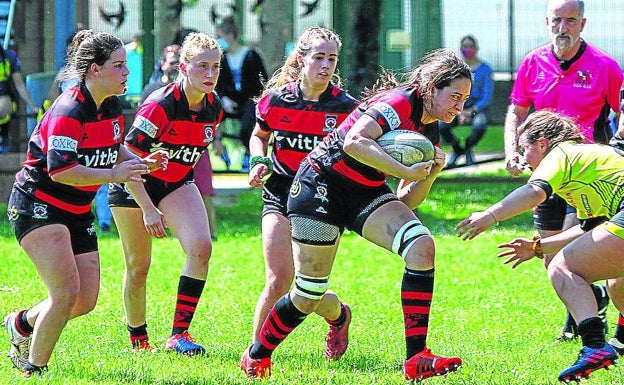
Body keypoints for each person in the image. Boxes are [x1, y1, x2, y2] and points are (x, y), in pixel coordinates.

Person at [240, 48, 472, 381]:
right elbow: (353, 142)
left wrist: (430, 173)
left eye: (464, 99)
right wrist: (398, 167)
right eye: (455, 97)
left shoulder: (428, 127)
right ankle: (257, 355)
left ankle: (416, 359)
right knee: (308, 293)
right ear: (432, 87)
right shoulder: (399, 103)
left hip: (365, 191)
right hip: (319, 185)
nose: (460, 107)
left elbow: (406, 201)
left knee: (421, 246)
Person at [2, 30, 167, 378]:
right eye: (119, 66)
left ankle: (20, 323)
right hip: (38, 205)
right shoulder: (68, 109)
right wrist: (116, 173)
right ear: (95, 69)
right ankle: (34, 368)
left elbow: (114, 143)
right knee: (65, 293)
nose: (126, 72)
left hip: (77, 210)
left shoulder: (109, 104)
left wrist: (139, 162)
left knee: (84, 300)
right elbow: (60, 170)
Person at [456, 109, 624, 383]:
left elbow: (535, 191)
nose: (523, 158)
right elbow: (588, 230)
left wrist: (490, 215)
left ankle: (594, 346)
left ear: (542, 143)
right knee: (619, 286)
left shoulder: (562, 154)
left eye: (525, 148)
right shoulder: (584, 165)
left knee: (564, 267)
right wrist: (538, 247)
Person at [503, 0, 623, 342]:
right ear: (547, 22)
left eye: (570, 20)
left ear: (582, 23)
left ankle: (585, 328)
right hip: (545, 172)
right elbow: (517, 111)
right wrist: (512, 150)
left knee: (575, 244)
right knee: (548, 251)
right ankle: (593, 300)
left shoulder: (605, 66)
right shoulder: (532, 62)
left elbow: (622, 107)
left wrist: (618, 143)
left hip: (586, 178)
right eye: (557, 20)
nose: (562, 28)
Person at [245, 27, 358, 361]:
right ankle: (256, 355)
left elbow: (359, 150)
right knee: (279, 279)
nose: (326, 65)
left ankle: (338, 315)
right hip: (279, 192)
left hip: (321, 199)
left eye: (332, 58)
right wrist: (258, 161)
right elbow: (258, 135)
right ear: (302, 58)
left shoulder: (347, 107)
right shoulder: (277, 100)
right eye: (319, 57)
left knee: (309, 289)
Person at [108, 32, 224, 354]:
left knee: (201, 248)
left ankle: (179, 335)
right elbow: (126, 159)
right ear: (184, 67)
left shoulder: (214, 108)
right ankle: (139, 341)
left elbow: (187, 156)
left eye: (215, 67)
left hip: (174, 182)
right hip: (134, 183)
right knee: (138, 266)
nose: (210, 74)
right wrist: (148, 209)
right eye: (202, 66)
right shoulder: (160, 105)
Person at [215, 17, 268, 172]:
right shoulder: (221, 58)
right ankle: (220, 149)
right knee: (211, 116)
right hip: (228, 100)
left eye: (220, 36)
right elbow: (219, 84)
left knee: (248, 124)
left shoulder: (251, 55)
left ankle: (248, 154)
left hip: (249, 100)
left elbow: (262, 82)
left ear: (230, 36)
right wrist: (224, 99)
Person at [441, 35, 494, 167]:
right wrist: (459, 111)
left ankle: (468, 148)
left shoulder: (486, 69)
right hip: (457, 106)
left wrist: (470, 111)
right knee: (441, 125)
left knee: (480, 125)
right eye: (465, 46)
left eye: (471, 46)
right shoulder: (455, 70)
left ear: (476, 49)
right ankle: (457, 149)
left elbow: (486, 97)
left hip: (477, 108)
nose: (468, 49)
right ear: (460, 48)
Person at [0, 45, 39, 153]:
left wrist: (32, 106)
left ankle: (4, 136)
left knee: (2, 108)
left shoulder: (8, 57)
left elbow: (20, 85)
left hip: (5, 97)